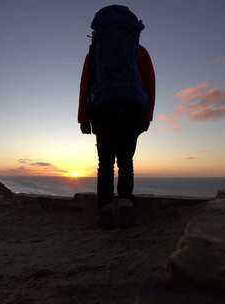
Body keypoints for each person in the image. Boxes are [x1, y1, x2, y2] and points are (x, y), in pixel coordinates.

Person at [78, 5, 155, 229]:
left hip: (102, 109)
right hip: (132, 109)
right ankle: (126, 205)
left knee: (105, 163)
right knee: (126, 161)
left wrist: (83, 117)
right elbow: (150, 85)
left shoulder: (95, 54)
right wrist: (147, 115)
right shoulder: (139, 52)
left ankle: (104, 210)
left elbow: (85, 84)